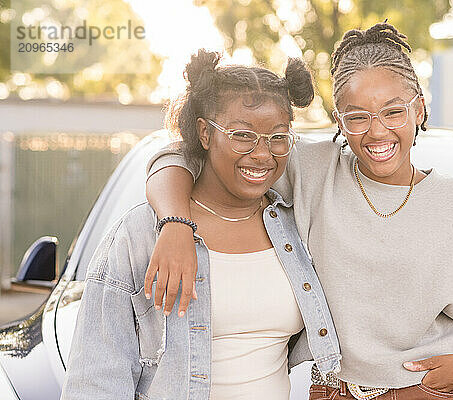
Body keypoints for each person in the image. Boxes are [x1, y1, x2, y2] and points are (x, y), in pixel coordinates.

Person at [144, 23, 453, 399]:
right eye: (358, 117)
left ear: (418, 110)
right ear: (339, 122)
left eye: (392, 112)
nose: (377, 131)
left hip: (424, 392)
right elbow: (181, 156)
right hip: (333, 393)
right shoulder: (311, 171)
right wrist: (175, 224)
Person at [60, 49, 343, 400]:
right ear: (205, 134)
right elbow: (96, 381)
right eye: (242, 134)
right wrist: (176, 223)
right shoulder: (140, 235)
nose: (262, 153)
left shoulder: (298, 224)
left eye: (278, 136)